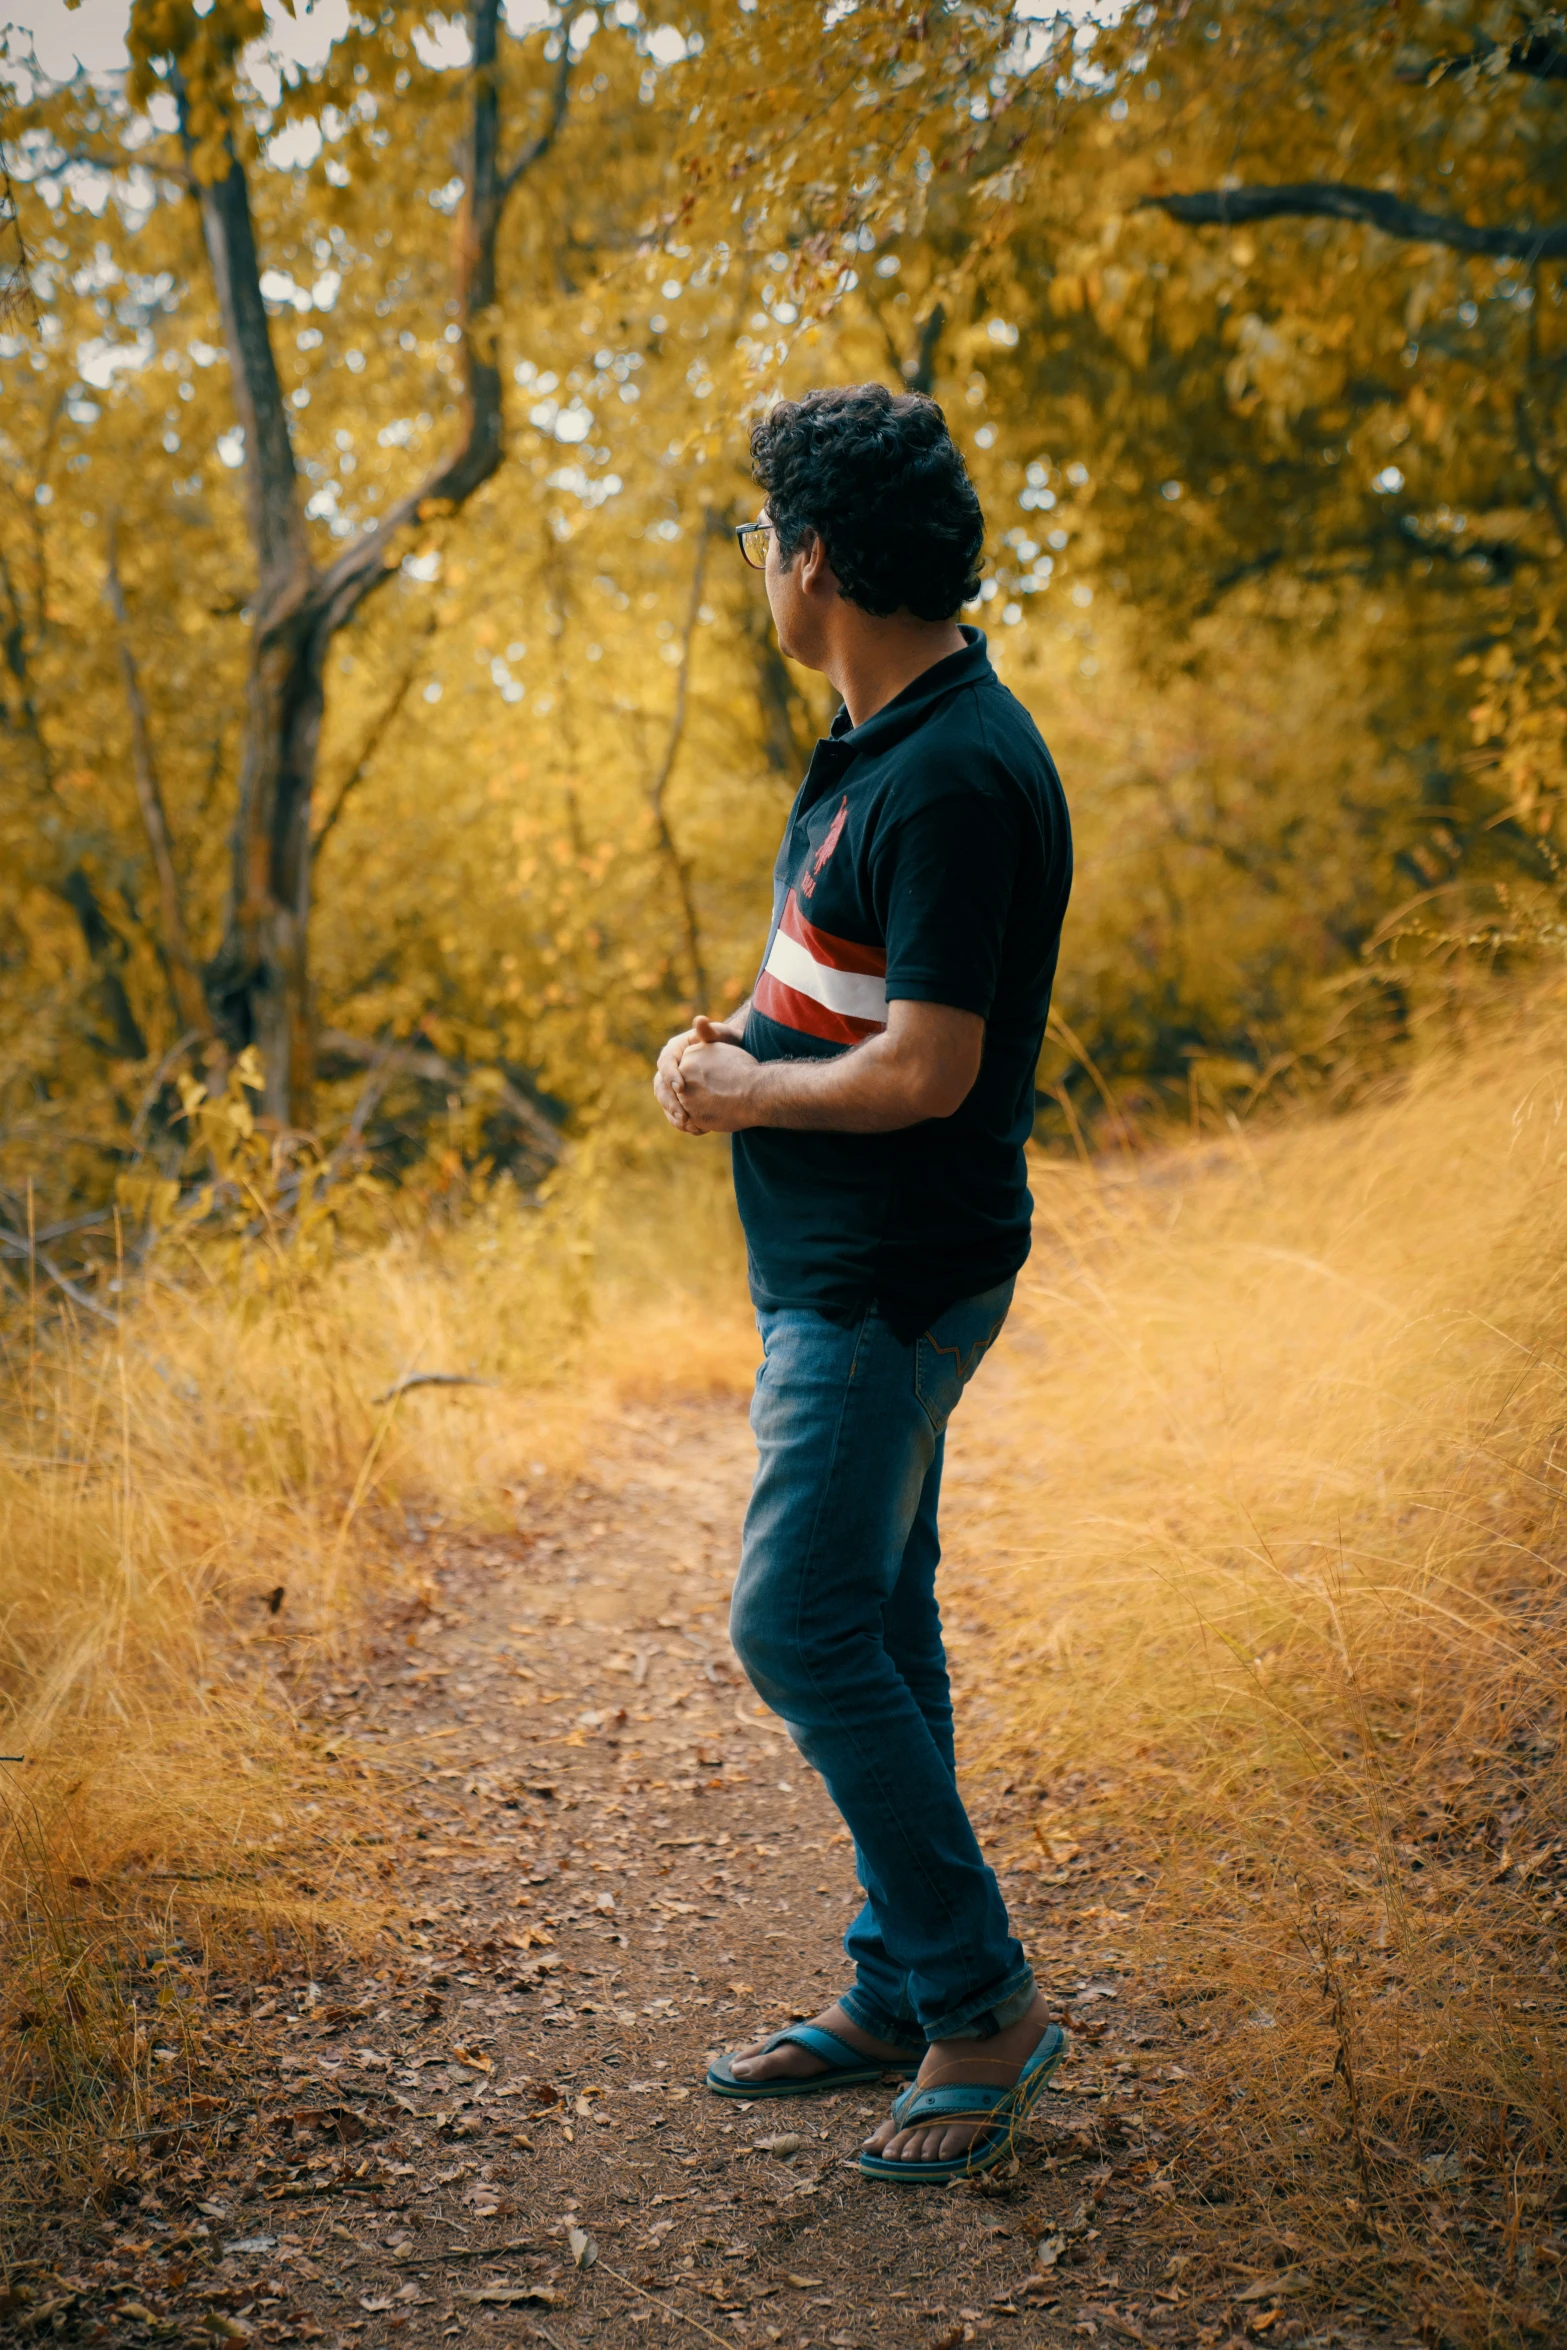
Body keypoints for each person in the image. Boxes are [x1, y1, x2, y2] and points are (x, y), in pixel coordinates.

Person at [652, 383, 1073, 2183]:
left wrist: (748, 1090)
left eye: (765, 536)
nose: (763, 564)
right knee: (879, 1620)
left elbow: (929, 1066)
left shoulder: (956, 771)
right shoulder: (879, 740)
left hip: (884, 1281)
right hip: (835, 1263)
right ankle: (900, 1984)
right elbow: (842, 993)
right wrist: (731, 1043)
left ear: (816, 559)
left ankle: (982, 2002)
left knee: (796, 1623)